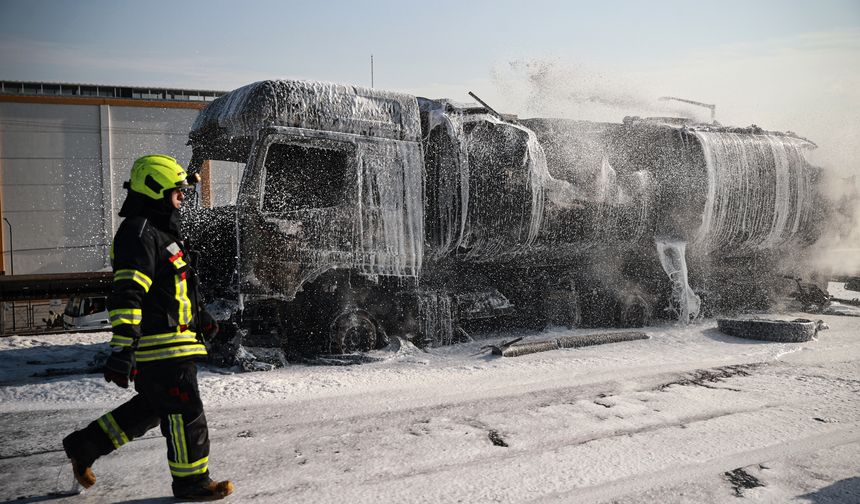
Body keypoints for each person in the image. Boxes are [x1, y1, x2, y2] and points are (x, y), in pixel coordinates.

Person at [62, 155, 234, 500]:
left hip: (175, 341)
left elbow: (175, 290)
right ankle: (191, 483)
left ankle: (84, 445)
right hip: (161, 347)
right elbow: (128, 294)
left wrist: (202, 321)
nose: (183, 197)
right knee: (186, 411)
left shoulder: (160, 234)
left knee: (155, 407)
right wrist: (122, 347)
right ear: (156, 190)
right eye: (177, 191)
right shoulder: (139, 232)